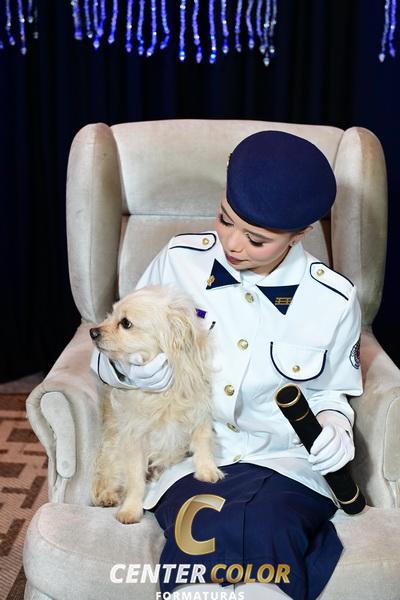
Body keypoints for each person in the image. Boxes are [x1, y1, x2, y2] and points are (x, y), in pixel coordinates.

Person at [91, 131, 363, 600]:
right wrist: (133, 372)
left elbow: (330, 391)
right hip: (195, 456)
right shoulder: (179, 261)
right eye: (225, 219)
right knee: (203, 521)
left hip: (283, 460)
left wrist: (336, 427)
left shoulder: (333, 299)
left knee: (270, 518)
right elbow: (113, 343)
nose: (233, 244)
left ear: (300, 234)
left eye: (256, 239)